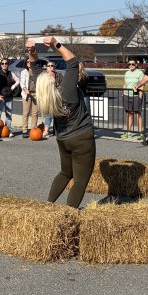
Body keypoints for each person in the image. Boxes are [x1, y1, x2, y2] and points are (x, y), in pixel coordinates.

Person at [36, 36, 95, 209]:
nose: (51, 73)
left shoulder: (47, 97)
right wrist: (56, 44)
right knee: (80, 181)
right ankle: (67, 215)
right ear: (52, 82)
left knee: (65, 172)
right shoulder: (66, 91)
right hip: (81, 138)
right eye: (49, 74)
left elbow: (33, 68)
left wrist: (32, 52)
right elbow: (72, 62)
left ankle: (47, 206)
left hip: (63, 139)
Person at [20, 42, 45, 138]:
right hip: (27, 94)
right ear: (26, 63)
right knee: (26, 112)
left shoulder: (37, 72)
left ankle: (33, 129)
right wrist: (25, 89)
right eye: (27, 62)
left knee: (35, 113)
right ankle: (24, 130)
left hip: (36, 94)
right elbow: (22, 82)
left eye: (30, 61)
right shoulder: (23, 72)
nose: (29, 63)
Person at [0, 59, 19, 137]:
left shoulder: (11, 73)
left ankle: (8, 131)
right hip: (0, 97)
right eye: (2, 63)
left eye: (6, 63)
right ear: (0, 65)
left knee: (9, 115)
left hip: (9, 96)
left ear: (8, 64)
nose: (4, 65)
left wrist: (12, 87)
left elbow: (18, 81)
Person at [122, 60, 144, 140]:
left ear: (136, 64)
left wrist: (140, 95)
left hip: (136, 95)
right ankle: (128, 132)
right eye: (129, 64)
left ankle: (140, 133)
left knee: (138, 113)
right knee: (129, 114)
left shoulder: (140, 72)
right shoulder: (127, 73)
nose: (131, 65)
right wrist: (123, 93)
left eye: (133, 64)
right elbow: (125, 83)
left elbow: (142, 84)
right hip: (127, 95)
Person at [41, 62, 62, 139]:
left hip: (57, 97)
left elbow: (62, 85)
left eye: (52, 65)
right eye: (48, 66)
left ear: (54, 67)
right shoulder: (44, 76)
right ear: (46, 68)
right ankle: (46, 131)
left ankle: (58, 130)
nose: (50, 67)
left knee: (58, 114)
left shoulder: (58, 75)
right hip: (48, 97)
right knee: (48, 115)